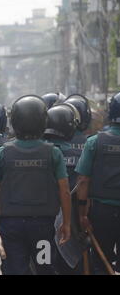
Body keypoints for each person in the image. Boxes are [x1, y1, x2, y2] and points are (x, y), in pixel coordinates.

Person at [0, 95, 71, 275]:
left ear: (14, 121)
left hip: (11, 227)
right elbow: (64, 191)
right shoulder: (53, 153)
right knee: (45, 268)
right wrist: (67, 223)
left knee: (15, 270)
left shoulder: (2, 153)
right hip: (43, 227)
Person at [76, 92, 120, 274]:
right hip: (103, 211)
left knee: (101, 262)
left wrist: (82, 215)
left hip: (101, 214)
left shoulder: (94, 142)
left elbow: (83, 180)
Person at [43, 103, 82, 274]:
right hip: (73, 221)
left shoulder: (39, 153)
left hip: (41, 218)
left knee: (43, 263)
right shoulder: (80, 155)